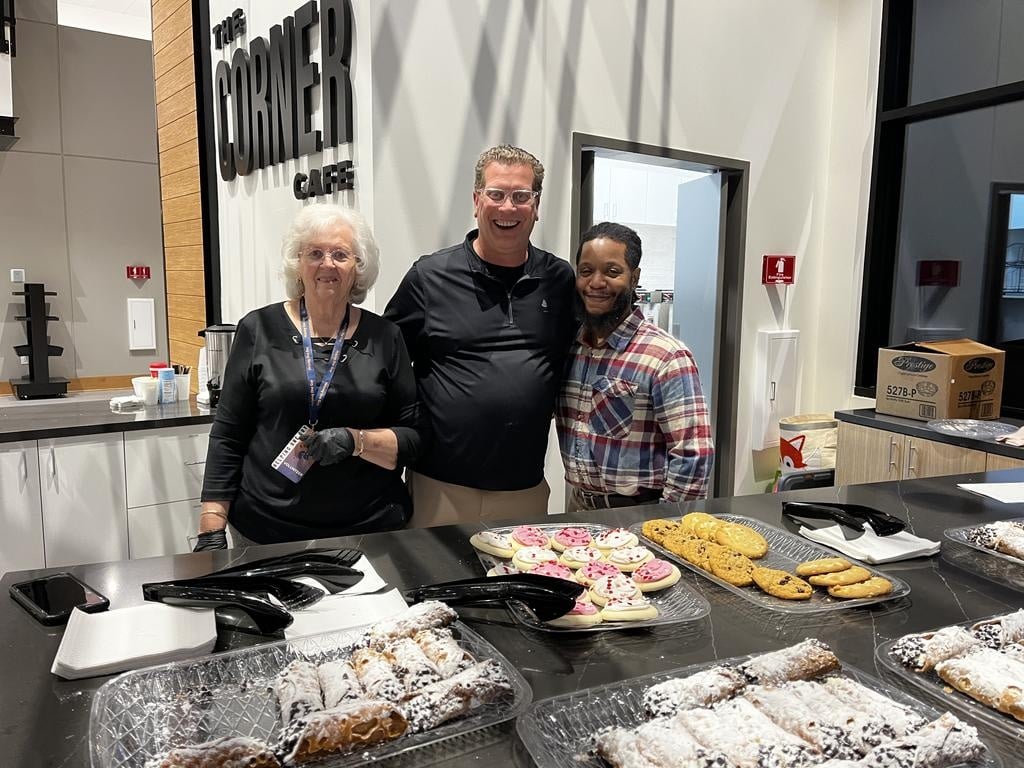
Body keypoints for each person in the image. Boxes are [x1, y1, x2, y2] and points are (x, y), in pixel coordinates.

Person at [194, 205, 422, 548]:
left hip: (368, 530)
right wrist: (211, 524)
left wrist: (356, 441)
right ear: (298, 263)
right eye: (315, 253)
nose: (327, 264)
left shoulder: (385, 337)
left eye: (340, 254)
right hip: (266, 530)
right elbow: (229, 434)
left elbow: (413, 439)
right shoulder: (258, 329)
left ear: (358, 267)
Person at [384, 144, 576, 526]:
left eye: (521, 196)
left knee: (523, 569)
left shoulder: (559, 279)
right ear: (476, 201)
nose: (508, 207)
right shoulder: (429, 277)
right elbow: (386, 363)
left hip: (523, 488)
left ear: (537, 205)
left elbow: (571, 357)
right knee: (433, 569)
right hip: (440, 487)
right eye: (496, 194)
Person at [557, 222, 714, 510]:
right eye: (586, 271)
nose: (596, 283)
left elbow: (693, 455)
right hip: (578, 507)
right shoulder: (570, 350)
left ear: (634, 278)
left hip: (639, 514)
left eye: (612, 271)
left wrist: (667, 525)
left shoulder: (667, 357)